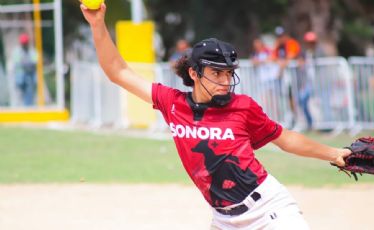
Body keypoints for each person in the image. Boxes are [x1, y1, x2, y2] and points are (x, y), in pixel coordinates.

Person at [80, 3, 351, 229]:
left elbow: (285, 139)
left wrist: (332, 153)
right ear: (194, 74)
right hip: (224, 221)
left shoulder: (242, 106)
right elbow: (118, 71)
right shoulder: (173, 104)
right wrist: (97, 24)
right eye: (216, 73)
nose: (225, 80)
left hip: (270, 212)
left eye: (228, 73)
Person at [11, 33, 38, 106]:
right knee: (18, 96)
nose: (24, 45)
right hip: (19, 78)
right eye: (23, 43)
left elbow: (35, 62)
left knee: (29, 96)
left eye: (25, 43)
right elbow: (16, 63)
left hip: (29, 77)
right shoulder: (16, 51)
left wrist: (26, 63)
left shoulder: (32, 51)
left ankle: (28, 110)